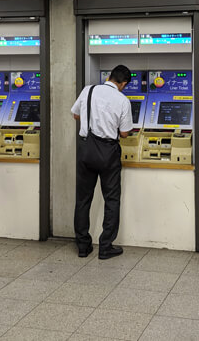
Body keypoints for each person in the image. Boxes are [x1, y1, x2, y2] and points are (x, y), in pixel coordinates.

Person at [71, 64, 133, 260]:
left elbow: (75, 114)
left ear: (108, 77)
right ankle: (105, 246)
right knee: (112, 200)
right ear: (123, 83)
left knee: (83, 199)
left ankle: (83, 246)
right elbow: (124, 133)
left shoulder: (88, 90)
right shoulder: (122, 100)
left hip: (86, 150)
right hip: (108, 152)